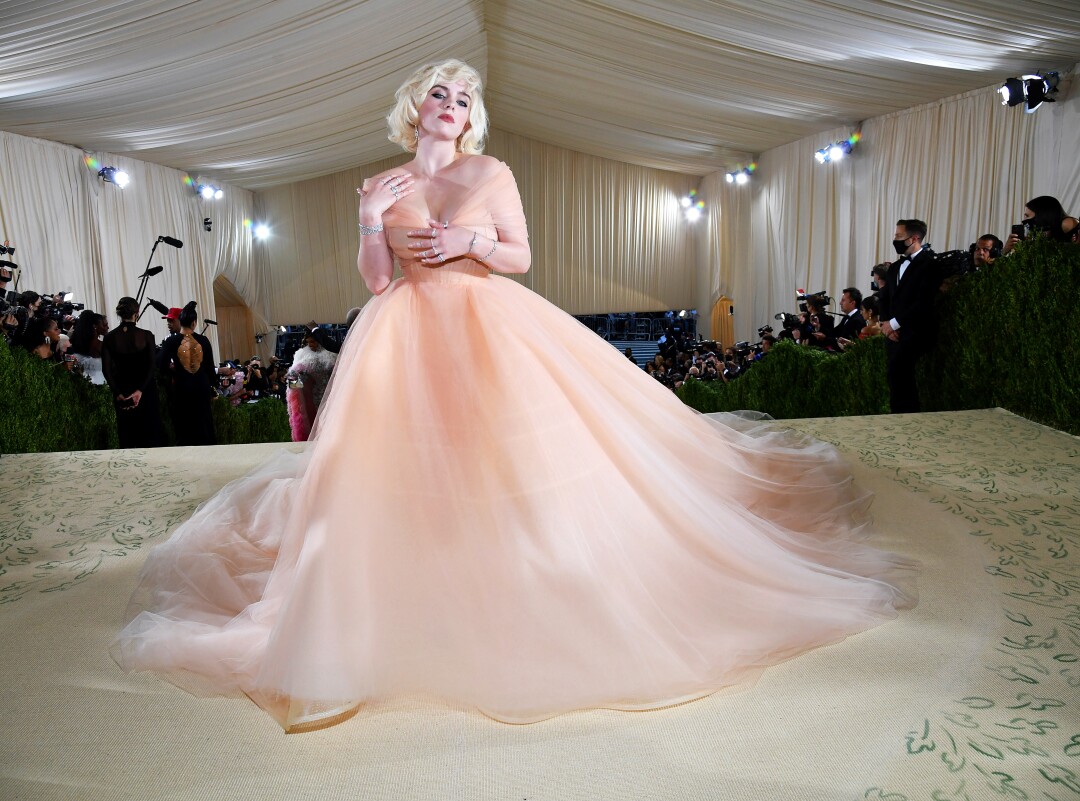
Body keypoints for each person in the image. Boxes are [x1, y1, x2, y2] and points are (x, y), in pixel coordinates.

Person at [114, 60, 916, 731]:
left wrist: (472, 239)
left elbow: (520, 255)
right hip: (402, 331)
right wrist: (367, 218)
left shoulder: (489, 172)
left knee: (510, 455)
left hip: (486, 320)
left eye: (464, 99)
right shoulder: (379, 181)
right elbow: (376, 279)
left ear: (472, 116)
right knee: (403, 466)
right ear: (415, 107)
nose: (452, 107)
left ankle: (534, 575)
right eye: (440, 94)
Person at [880, 219, 939, 414]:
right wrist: (885, 324)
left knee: (902, 377)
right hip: (893, 334)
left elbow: (923, 302)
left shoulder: (929, 264)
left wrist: (894, 324)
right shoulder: (896, 267)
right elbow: (885, 297)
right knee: (894, 378)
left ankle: (908, 420)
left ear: (914, 238)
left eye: (898, 236)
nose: (895, 240)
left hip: (915, 332)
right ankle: (898, 418)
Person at [101, 297, 163, 448]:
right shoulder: (147, 335)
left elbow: (106, 370)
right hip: (145, 390)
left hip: (122, 390)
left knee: (127, 435)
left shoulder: (109, 338)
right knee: (149, 434)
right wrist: (140, 390)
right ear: (137, 313)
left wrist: (118, 393)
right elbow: (151, 367)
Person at [157, 301, 217, 446]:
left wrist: (172, 371)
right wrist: (213, 387)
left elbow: (160, 365)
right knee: (203, 424)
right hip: (201, 387)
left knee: (184, 426)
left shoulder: (171, 341)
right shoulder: (203, 340)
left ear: (181, 321)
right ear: (194, 323)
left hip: (182, 387)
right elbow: (210, 368)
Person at [285, 334, 338, 441]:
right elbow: (293, 375)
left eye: (313, 342)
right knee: (315, 419)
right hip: (313, 395)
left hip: (331, 394)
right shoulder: (302, 355)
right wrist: (297, 391)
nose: (310, 345)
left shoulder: (331, 355)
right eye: (308, 342)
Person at [1003, 196, 1079, 254]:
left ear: (1041, 214)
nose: (1024, 220)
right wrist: (1005, 250)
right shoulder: (1039, 232)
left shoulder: (1066, 223)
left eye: (1027, 216)